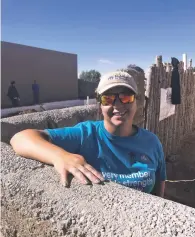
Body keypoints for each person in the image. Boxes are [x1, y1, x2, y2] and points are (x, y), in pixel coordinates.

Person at [10, 71, 166, 197]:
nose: (118, 104)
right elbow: (20, 138)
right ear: (100, 105)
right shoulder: (86, 134)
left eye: (126, 97)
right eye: (108, 98)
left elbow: (160, 182)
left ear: (136, 101)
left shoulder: (152, 142)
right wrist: (60, 156)